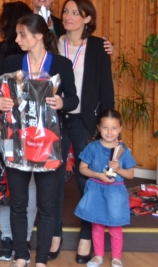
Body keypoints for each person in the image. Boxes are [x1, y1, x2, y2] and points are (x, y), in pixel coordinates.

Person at [0, 13, 79, 267]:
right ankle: (21, 256)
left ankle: (41, 259)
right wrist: (0, 103)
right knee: (19, 203)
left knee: (47, 205)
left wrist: (62, 102)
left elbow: (74, 100)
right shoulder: (10, 61)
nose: (18, 39)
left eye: (23, 34)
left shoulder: (61, 64)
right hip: (16, 141)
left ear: (39, 35)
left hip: (50, 143)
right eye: (18, 34)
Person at [51, 0, 115, 263]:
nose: (68, 16)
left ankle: (86, 236)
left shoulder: (100, 47)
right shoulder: (53, 44)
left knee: (85, 179)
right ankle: (54, 234)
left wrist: (108, 129)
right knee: (51, 180)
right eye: (65, 11)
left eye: (75, 13)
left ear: (87, 18)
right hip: (54, 120)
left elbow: (106, 90)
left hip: (84, 121)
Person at [0, 1, 37, 261]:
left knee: (25, 186)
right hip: (0, 129)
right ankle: (10, 236)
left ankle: (19, 239)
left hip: (31, 133)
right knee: (3, 183)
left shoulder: (40, 55)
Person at [75, 110, 135, 267]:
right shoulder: (92, 147)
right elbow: (82, 169)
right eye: (105, 127)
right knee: (97, 225)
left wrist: (119, 169)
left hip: (115, 193)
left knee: (115, 227)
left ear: (120, 128)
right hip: (96, 190)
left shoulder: (124, 150)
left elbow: (130, 174)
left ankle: (116, 257)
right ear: (99, 128)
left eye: (114, 128)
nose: (109, 132)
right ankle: (98, 256)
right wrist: (97, 175)